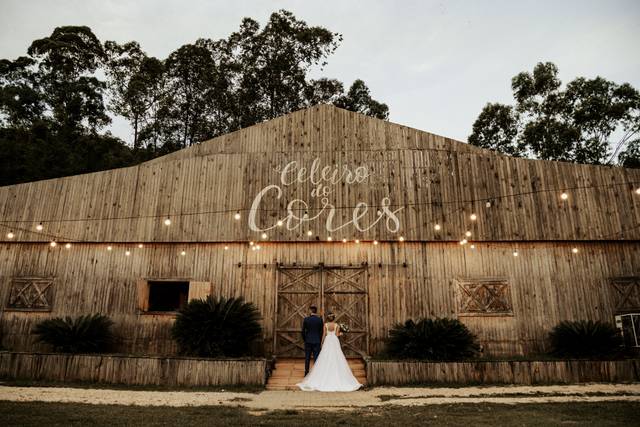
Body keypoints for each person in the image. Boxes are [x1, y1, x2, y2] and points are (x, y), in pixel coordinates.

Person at [297, 313, 363, 392]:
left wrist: (321, 343)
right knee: (336, 356)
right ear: (334, 318)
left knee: (325, 357)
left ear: (328, 318)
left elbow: (324, 335)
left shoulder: (325, 325)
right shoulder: (337, 325)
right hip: (334, 341)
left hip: (328, 340)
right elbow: (337, 334)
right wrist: (341, 333)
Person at [301, 305, 323, 376]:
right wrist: (319, 339)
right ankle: (316, 374)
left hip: (308, 341)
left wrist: (305, 339)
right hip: (316, 341)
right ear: (315, 311)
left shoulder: (306, 319)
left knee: (307, 357)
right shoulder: (319, 320)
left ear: (310, 311)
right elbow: (321, 331)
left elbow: (303, 331)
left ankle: (306, 372)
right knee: (316, 357)